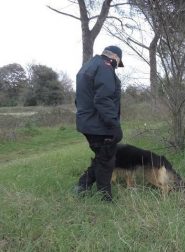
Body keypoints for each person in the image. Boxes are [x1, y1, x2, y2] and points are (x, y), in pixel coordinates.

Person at [74, 46, 124, 201]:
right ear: (114, 57)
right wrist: (114, 125)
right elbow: (103, 99)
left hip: (87, 122)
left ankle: (83, 185)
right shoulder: (105, 67)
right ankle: (105, 197)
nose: (117, 66)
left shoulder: (88, 66)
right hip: (100, 125)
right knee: (107, 161)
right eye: (118, 62)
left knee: (102, 157)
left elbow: (79, 99)